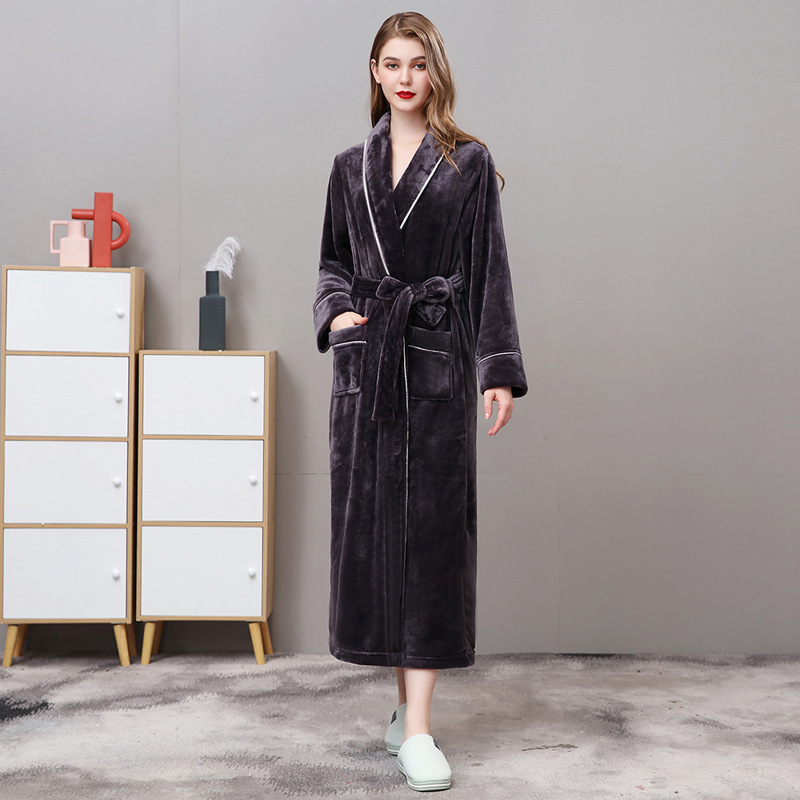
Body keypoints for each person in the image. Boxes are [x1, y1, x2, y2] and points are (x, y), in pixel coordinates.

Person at [313, 11, 527, 792]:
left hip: (436, 362)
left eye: (419, 64)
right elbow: (333, 263)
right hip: (369, 369)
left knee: (431, 544)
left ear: (435, 72)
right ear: (375, 72)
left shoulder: (469, 164)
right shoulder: (348, 168)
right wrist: (337, 315)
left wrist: (496, 368)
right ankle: (404, 710)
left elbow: (489, 268)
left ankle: (420, 731)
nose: (406, 78)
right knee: (378, 542)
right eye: (392, 64)